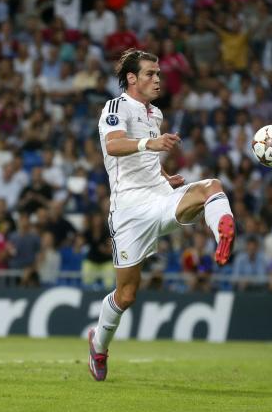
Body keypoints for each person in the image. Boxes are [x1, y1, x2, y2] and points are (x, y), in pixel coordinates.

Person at [87, 49, 235, 381]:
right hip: (129, 211)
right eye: (151, 73)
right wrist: (149, 146)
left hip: (160, 196)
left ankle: (222, 232)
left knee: (211, 186)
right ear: (132, 78)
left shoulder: (156, 114)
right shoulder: (115, 107)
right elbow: (113, 146)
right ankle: (98, 345)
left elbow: (146, 160)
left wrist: (164, 174)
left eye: (158, 73)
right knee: (126, 295)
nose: (158, 79)